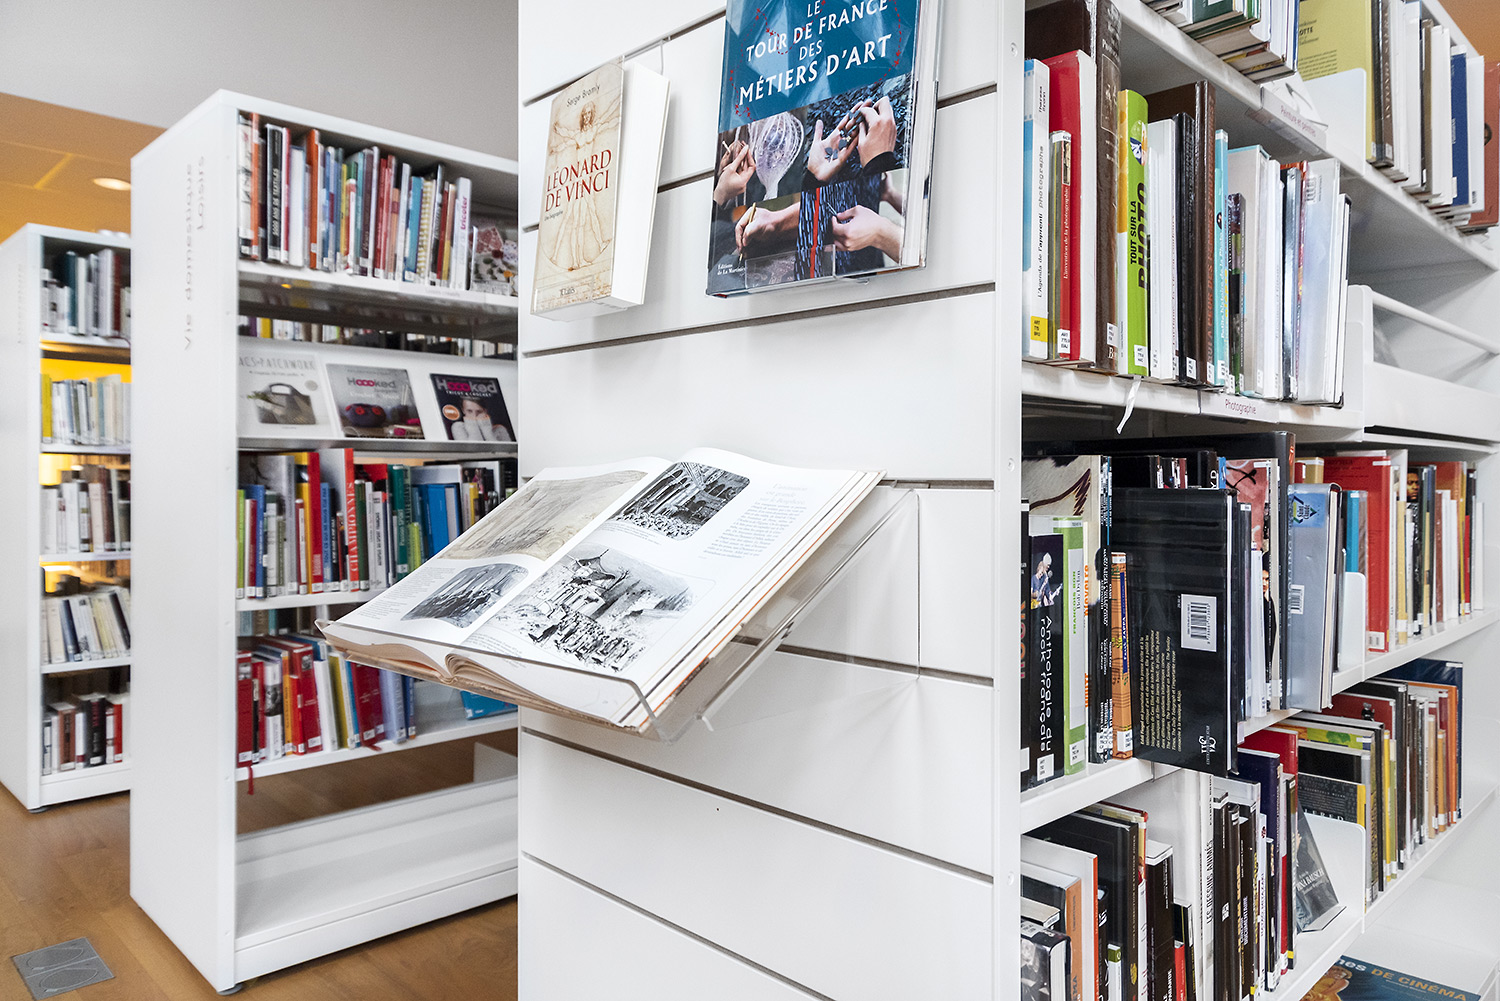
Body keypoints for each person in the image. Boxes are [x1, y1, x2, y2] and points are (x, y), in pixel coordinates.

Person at [449, 397, 514, 442]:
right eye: (469, 411)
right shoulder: (458, 427)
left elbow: (505, 453)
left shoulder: (499, 429)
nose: (474, 416)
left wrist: (486, 429)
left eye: (479, 412)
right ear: (463, 410)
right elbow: (474, 450)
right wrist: (473, 425)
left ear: (485, 411)